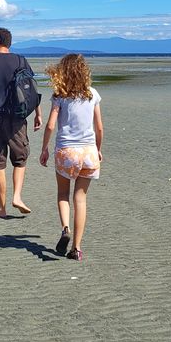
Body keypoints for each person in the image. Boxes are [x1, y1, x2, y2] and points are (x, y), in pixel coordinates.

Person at [39, 54, 103, 261]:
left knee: (63, 194)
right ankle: (76, 248)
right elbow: (99, 127)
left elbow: (50, 125)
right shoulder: (92, 94)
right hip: (89, 151)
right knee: (80, 198)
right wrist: (98, 149)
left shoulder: (60, 95)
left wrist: (44, 149)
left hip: (66, 150)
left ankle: (65, 227)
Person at [0, 27, 42, 218]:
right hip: (18, 118)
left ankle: (2, 207)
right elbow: (32, 91)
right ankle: (17, 197)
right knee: (20, 160)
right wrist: (38, 114)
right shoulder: (21, 60)